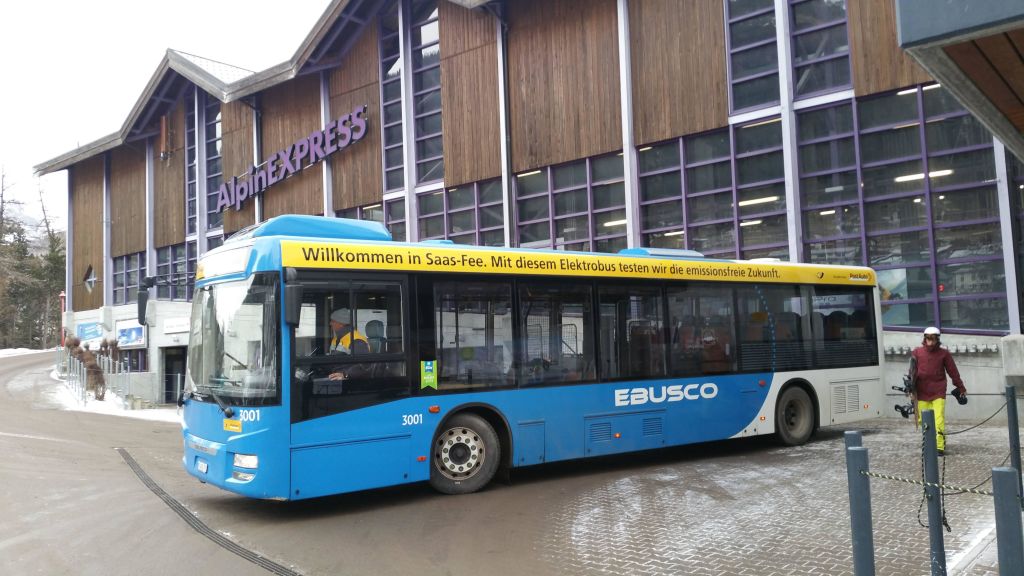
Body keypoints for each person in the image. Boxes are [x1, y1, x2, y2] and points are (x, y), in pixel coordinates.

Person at [911, 326, 967, 456]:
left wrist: (961, 387)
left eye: (933, 338)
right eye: (928, 338)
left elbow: (953, 371)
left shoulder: (944, 354)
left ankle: (939, 447)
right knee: (922, 420)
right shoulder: (917, 352)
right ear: (925, 338)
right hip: (921, 391)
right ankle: (929, 443)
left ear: (937, 339)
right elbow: (911, 372)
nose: (930, 341)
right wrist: (910, 389)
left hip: (938, 391)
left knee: (938, 419)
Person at [327, 308, 369, 381]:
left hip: (350, 382)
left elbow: (363, 365)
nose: (330, 324)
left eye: (333, 321)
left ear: (341, 324)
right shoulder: (337, 338)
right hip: (335, 378)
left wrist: (345, 375)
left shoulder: (357, 341)